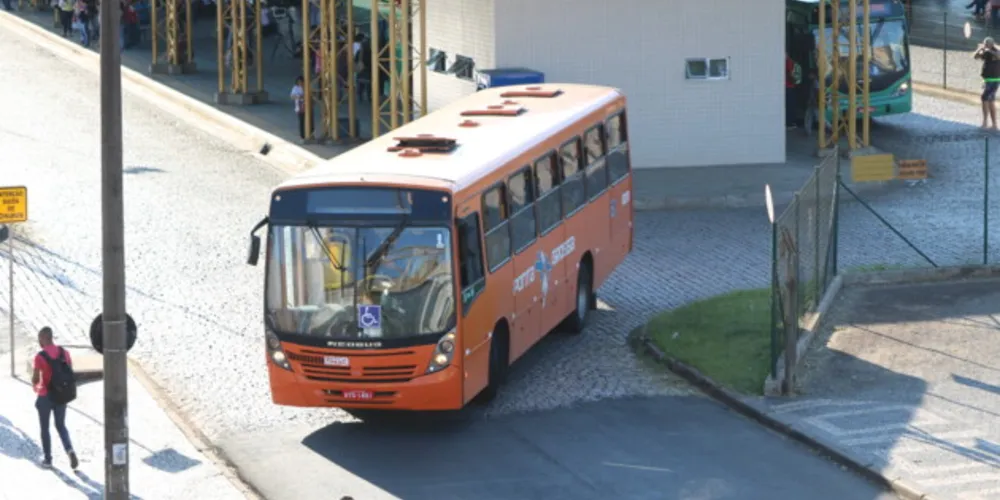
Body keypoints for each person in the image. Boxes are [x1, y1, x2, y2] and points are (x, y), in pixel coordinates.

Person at [31, 327, 79, 470]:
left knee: (45, 428)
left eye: (40, 338)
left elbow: (35, 379)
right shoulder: (65, 353)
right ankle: (69, 450)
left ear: (43, 338)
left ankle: (48, 459)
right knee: (61, 425)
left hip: (46, 396)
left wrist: (35, 380)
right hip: (61, 395)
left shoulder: (40, 356)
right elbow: (69, 372)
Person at [974, 37, 1000, 129]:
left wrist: (989, 50)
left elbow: (998, 56)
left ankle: (985, 122)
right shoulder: (986, 52)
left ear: (992, 44)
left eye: (987, 44)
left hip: (994, 80)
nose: (985, 45)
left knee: (984, 97)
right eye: (985, 43)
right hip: (987, 80)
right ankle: (994, 124)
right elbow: (975, 57)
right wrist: (979, 49)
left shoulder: (996, 51)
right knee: (990, 101)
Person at [291, 76, 307, 141]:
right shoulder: (295, 88)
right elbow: (292, 96)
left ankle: (309, 133)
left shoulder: (306, 87)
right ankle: (302, 135)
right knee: (302, 121)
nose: (300, 83)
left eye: (301, 82)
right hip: (300, 106)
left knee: (307, 120)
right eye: (299, 82)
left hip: (306, 106)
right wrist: (299, 96)